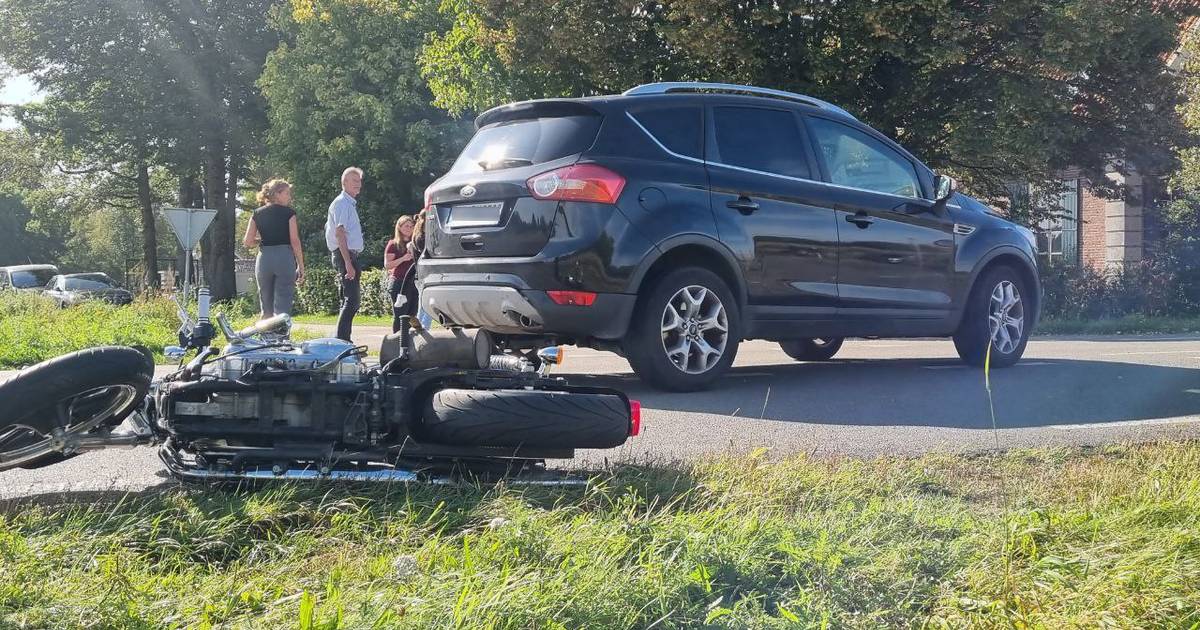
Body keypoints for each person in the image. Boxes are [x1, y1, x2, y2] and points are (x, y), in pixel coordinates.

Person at [243, 178, 305, 318]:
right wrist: (300, 265)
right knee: (283, 302)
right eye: (287, 193)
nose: (289, 197)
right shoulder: (289, 213)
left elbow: (248, 241)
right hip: (284, 258)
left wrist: (261, 240)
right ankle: (281, 337)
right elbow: (294, 241)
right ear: (277, 194)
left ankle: (266, 337)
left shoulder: (257, 213)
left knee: (265, 304)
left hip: (264, 258)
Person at [324, 167, 365, 342]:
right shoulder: (342, 203)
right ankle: (342, 340)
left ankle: (342, 339)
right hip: (345, 254)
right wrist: (348, 263)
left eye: (360, 181)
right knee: (352, 301)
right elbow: (339, 233)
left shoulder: (347, 203)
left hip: (347, 254)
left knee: (348, 300)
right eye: (354, 181)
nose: (359, 184)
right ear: (344, 182)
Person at [399, 213, 433, 328]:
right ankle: (424, 329)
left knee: (423, 305)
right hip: (425, 275)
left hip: (420, 276)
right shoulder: (423, 238)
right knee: (428, 305)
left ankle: (420, 327)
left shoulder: (417, 237)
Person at [383, 215, 415, 332]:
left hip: (413, 283)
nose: (409, 228)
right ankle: (397, 341)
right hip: (399, 283)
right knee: (400, 316)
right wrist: (403, 258)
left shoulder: (414, 244)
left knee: (412, 315)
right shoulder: (393, 244)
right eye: (406, 226)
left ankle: (409, 343)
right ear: (400, 227)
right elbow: (387, 265)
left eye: (411, 226)